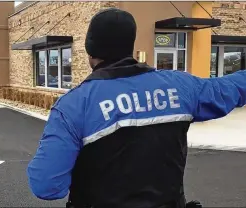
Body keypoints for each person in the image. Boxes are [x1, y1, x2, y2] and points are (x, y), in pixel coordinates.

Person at [27, 8, 246, 208]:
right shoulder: (181, 86)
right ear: (129, 45)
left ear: (90, 51)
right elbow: (230, 88)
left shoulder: (73, 106)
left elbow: (46, 186)